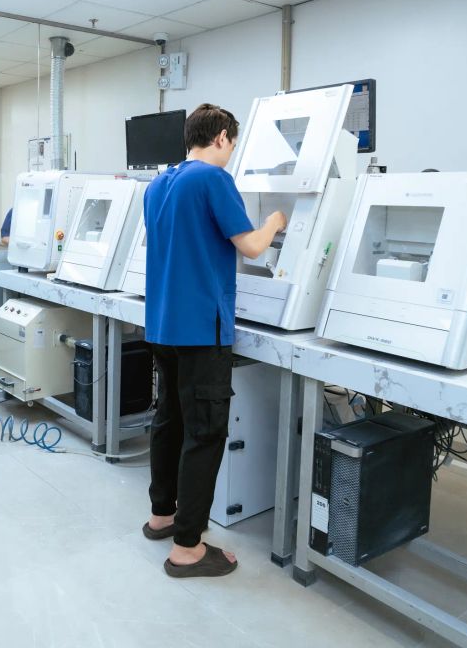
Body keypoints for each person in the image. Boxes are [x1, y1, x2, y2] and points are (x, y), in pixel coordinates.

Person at [141, 103, 287, 579]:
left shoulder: (159, 183)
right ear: (222, 137)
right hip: (203, 329)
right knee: (205, 433)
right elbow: (251, 246)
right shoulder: (213, 179)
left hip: (163, 324)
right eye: (233, 143)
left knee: (171, 422)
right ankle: (187, 548)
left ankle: (162, 515)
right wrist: (276, 222)